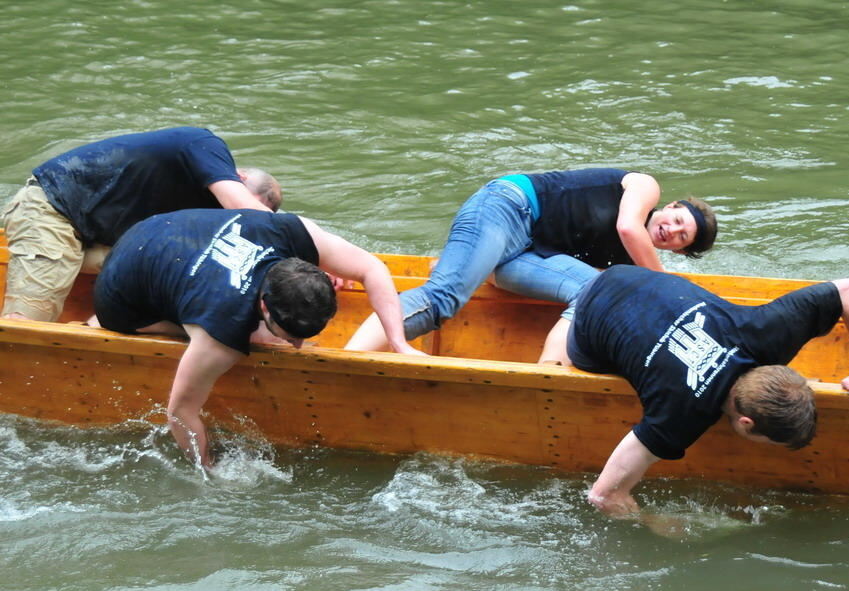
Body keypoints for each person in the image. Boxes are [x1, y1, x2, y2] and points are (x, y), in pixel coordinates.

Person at [90, 207, 423, 468]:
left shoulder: (290, 230)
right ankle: (96, 322)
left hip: (159, 228)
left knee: (262, 339)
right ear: (263, 304)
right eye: (290, 336)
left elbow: (373, 269)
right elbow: (179, 411)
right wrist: (207, 468)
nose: (295, 345)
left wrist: (399, 344)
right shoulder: (222, 328)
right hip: (121, 293)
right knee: (253, 344)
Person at [544, 265, 849, 516]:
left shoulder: (764, 333)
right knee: (597, 367)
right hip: (589, 312)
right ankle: (565, 323)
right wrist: (655, 522)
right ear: (745, 423)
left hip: (629, 274)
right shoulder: (677, 415)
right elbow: (603, 496)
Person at [346, 168, 717, 359]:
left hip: (521, 251)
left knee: (595, 292)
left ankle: (548, 375)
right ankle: (351, 357)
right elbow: (627, 227)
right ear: (670, 206)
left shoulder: (628, 260)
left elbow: (574, 274)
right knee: (444, 300)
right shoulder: (644, 188)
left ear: (680, 252)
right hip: (509, 207)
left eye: (681, 237)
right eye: (678, 219)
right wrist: (665, 286)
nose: (672, 230)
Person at [1, 126, 282, 322]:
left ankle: (93, 328)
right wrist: (299, 248)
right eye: (250, 207)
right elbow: (246, 211)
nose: (240, 220)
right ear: (238, 178)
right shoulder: (205, 145)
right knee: (28, 320)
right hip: (51, 209)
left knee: (168, 269)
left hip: (92, 236)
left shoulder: (210, 215)